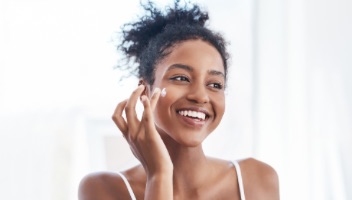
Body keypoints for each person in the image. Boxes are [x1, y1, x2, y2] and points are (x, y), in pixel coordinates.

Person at [78, 0, 280, 199]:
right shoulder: (102, 189)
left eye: (215, 84)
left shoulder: (256, 180)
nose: (201, 96)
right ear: (144, 90)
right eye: (181, 78)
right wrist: (159, 175)